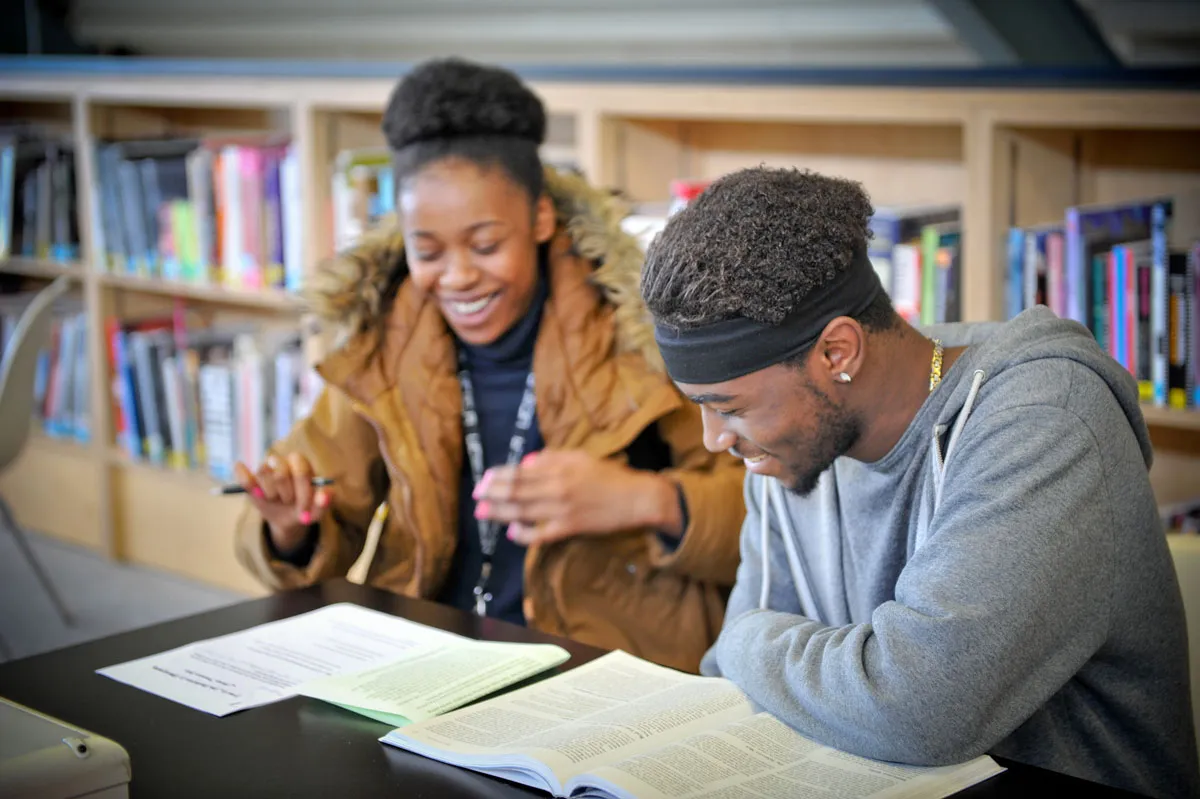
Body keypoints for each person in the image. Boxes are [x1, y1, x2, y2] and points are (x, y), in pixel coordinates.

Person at [639, 165, 1199, 797]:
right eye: (701, 407)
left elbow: (918, 708)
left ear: (837, 353)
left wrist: (742, 640)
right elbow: (740, 683)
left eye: (730, 406)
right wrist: (761, 654)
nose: (716, 439)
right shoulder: (786, 442)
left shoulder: (1045, 420)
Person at [231, 58, 745, 673]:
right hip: (427, 659)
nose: (457, 278)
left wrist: (644, 499)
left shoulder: (643, 337)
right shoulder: (380, 351)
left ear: (540, 219)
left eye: (485, 245)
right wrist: (291, 530)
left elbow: (767, 519)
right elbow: (318, 517)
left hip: (603, 667)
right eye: (428, 250)